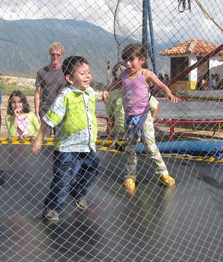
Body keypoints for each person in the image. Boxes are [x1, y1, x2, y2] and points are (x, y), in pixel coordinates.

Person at [31, 56, 101, 222]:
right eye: (82, 73)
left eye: (88, 72)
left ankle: (78, 191)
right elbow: (49, 119)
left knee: (94, 167)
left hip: (87, 145)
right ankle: (52, 207)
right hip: (67, 149)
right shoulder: (65, 97)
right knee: (62, 180)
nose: (87, 76)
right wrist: (39, 138)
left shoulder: (90, 92)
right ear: (70, 78)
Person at [102, 43, 179, 190]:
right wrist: (106, 90)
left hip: (144, 117)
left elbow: (160, 85)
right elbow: (115, 85)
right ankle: (130, 176)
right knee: (130, 149)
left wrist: (168, 93)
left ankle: (163, 173)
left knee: (150, 146)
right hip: (129, 118)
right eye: (126, 60)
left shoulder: (145, 74)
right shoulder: (124, 75)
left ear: (142, 60)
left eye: (132, 59)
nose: (128, 63)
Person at [105, 62, 160, 139]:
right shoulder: (111, 94)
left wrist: (150, 120)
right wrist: (109, 125)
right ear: (115, 74)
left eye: (124, 70)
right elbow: (111, 114)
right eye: (119, 71)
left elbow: (155, 106)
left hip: (136, 129)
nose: (122, 72)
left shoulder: (139, 91)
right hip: (119, 132)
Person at [34, 42, 67, 123]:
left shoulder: (66, 72)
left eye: (58, 55)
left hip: (61, 110)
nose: (55, 57)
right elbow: (37, 93)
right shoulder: (42, 72)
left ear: (61, 55)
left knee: (59, 135)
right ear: (50, 54)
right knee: (44, 135)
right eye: (53, 54)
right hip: (45, 109)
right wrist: (37, 112)